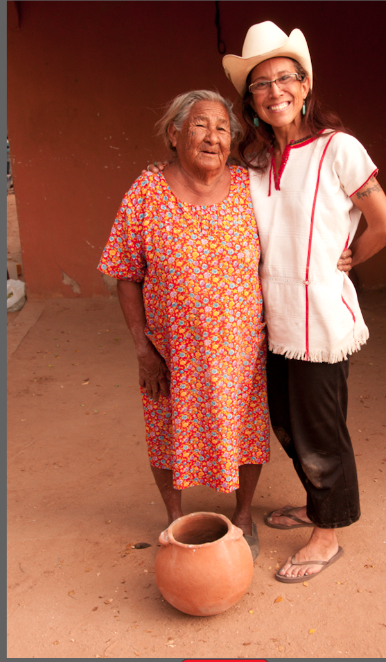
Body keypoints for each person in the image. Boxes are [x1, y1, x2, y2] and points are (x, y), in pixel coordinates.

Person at [222, 21, 386, 582]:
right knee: (287, 425)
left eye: (284, 79)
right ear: (249, 99)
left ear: (304, 85)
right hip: (270, 321)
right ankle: (317, 503)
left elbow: (385, 225)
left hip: (318, 321)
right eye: (260, 84)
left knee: (321, 434)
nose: (274, 92)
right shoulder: (251, 162)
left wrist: (348, 257)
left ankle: (326, 534)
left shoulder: (338, 148)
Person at [98, 90, 271, 561]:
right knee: (165, 431)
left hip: (241, 349)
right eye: (200, 125)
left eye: (222, 128)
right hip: (171, 352)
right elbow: (126, 274)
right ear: (174, 134)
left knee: (248, 430)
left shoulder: (246, 186)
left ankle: (242, 514)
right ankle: (175, 517)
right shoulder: (146, 192)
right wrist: (143, 350)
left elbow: (292, 235)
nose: (213, 136)